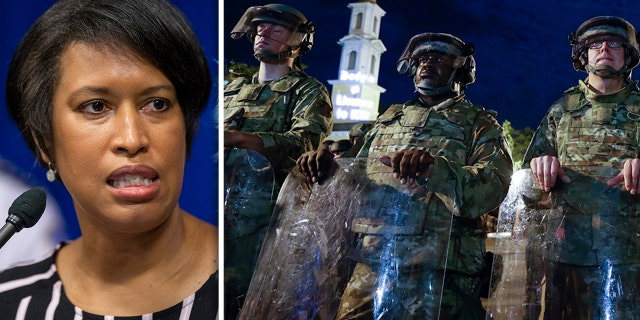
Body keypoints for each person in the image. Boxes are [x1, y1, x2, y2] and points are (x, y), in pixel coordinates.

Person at [0, 0, 218, 318]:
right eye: (96, 106)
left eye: (157, 104)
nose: (132, 140)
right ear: (45, 141)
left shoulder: (248, 278)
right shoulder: (10, 304)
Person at [297, 32, 513, 319]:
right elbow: (353, 181)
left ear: (460, 70)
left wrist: (435, 171)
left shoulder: (480, 125)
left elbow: (492, 187)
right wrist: (325, 165)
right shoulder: (383, 123)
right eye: (421, 58)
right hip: (372, 263)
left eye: (439, 58)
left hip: (441, 273)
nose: (426, 64)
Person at [522, 16, 640, 319]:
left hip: (630, 260)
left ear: (628, 54)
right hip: (566, 260)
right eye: (593, 44)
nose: (604, 48)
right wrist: (540, 168)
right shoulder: (560, 111)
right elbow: (526, 191)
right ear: (582, 55)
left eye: (614, 43)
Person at [223, 3, 333, 317]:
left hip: (267, 219)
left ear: (299, 41)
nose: (263, 31)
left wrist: (242, 138)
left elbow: (305, 142)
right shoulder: (231, 90)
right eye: (259, 26)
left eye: (275, 28)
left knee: (249, 301)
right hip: (216, 211)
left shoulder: (307, 91)